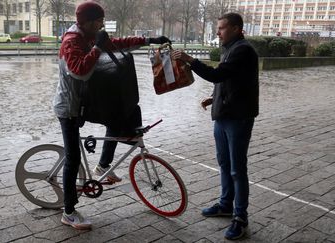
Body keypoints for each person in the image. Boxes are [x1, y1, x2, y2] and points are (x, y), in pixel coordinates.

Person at [52, 1, 171, 230]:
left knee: (116, 117)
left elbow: (116, 44)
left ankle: (102, 166)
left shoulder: (89, 35)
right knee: (73, 158)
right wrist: (97, 48)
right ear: (86, 22)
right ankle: (68, 212)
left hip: (85, 102)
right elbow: (80, 71)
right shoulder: (71, 41)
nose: (101, 25)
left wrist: (148, 40)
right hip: (68, 107)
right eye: (98, 21)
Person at [172, 12, 259, 240]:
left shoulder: (243, 50)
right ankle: (225, 205)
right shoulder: (229, 48)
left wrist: (190, 60)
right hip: (223, 114)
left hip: (238, 118)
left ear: (236, 28)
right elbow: (231, 80)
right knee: (224, 163)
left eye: (221, 28)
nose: (218, 32)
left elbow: (217, 75)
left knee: (237, 169)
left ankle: (240, 218)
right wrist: (214, 97)